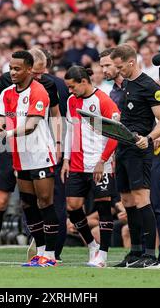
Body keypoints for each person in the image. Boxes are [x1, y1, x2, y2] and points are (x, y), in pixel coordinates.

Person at [0, 48, 63, 266]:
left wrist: (4, 133)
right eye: (11, 68)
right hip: (19, 154)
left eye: (17, 69)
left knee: (45, 202)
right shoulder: (7, 93)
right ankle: (41, 252)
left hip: (39, 153)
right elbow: (0, 119)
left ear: (29, 69)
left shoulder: (40, 92)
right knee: (28, 205)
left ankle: (52, 255)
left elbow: (31, 125)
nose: (13, 72)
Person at [110, 44, 160, 268]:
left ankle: (150, 255)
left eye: (120, 66)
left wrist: (150, 138)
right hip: (123, 148)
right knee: (127, 201)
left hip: (139, 149)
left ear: (131, 62)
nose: (118, 70)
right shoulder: (125, 85)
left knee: (142, 199)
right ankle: (134, 252)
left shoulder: (149, 86)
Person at [61, 66, 120, 268]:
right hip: (77, 164)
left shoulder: (104, 101)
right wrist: (66, 159)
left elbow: (115, 135)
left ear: (84, 82)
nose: (70, 91)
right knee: (73, 207)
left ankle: (103, 255)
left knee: (104, 207)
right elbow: (70, 130)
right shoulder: (71, 101)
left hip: (99, 163)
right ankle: (92, 245)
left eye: (72, 86)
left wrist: (103, 161)